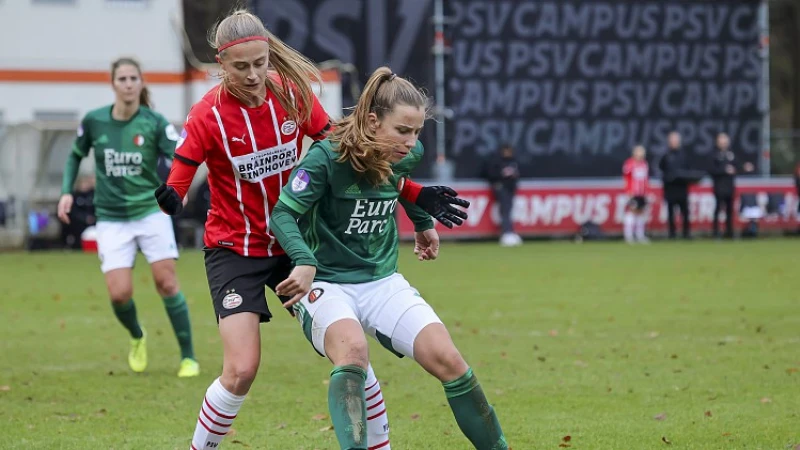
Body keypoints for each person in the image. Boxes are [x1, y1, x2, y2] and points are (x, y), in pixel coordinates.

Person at [153, 10, 446, 450]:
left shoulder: (292, 95)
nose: (253, 75)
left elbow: (347, 155)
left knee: (351, 354)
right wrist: (173, 194)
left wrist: (415, 197)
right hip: (235, 251)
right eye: (241, 66)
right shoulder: (206, 115)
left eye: (261, 62)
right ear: (221, 63)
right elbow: (182, 170)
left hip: (300, 247)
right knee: (241, 370)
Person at [269, 67, 507, 450]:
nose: (411, 143)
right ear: (372, 120)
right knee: (353, 352)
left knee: (449, 360)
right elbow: (281, 213)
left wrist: (422, 223)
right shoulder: (325, 157)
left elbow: (398, 185)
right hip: (327, 284)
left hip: (382, 280)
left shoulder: (406, 154)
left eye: (417, 132)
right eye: (402, 131)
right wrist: (303, 259)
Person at [56, 57, 199, 378]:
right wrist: (66, 191)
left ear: (141, 83)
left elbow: (181, 153)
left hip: (151, 212)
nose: (129, 83)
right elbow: (75, 154)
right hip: (111, 218)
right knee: (119, 293)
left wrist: (180, 185)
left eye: (134, 78)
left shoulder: (154, 122)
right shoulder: (95, 121)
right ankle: (137, 336)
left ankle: (188, 357)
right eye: (122, 78)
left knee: (166, 282)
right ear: (113, 84)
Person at [709, 133, 754, 238]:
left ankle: (729, 232)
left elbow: (737, 165)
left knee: (730, 210)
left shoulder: (730, 154)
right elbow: (711, 170)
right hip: (719, 186)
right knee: (718, 209)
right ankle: (715, 232)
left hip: (729, 186)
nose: (724, 142)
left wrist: (744, 167)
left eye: (725, 140)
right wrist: (724, 171)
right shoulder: (714, 154)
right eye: (721, 140)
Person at [486, 143, 521, 246]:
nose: (508, 153)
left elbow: (517, 175)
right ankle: (506, 233)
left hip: (510, 189)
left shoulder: (513, 161)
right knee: (505, 211)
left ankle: (510, 232)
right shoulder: (497, 161)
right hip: (502, 189)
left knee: (508, 211)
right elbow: (490, 174)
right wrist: (497, 184)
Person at [659, 131, 692, 239]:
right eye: (672, 140)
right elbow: (661, 170)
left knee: (685, 212)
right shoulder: (665, 155)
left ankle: (686, 233)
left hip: (682, 187)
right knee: (671, 213)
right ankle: (672, 234)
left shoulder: (684, 155)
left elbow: (689, 170)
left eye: (676, 140)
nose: (674, 142)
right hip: (670, 188)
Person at [622, 145, 650, 244]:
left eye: (642, 153)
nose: (641, 155)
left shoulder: (644, 164)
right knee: (631, 212)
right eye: (639, 152)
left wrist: (646, 192)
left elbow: (645, 180)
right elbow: (627, 179)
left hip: (642, 193)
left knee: (641, 213)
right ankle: (628, 235)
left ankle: (640, 235)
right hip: (632, 193)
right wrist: (628, 192)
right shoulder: (629, 164)